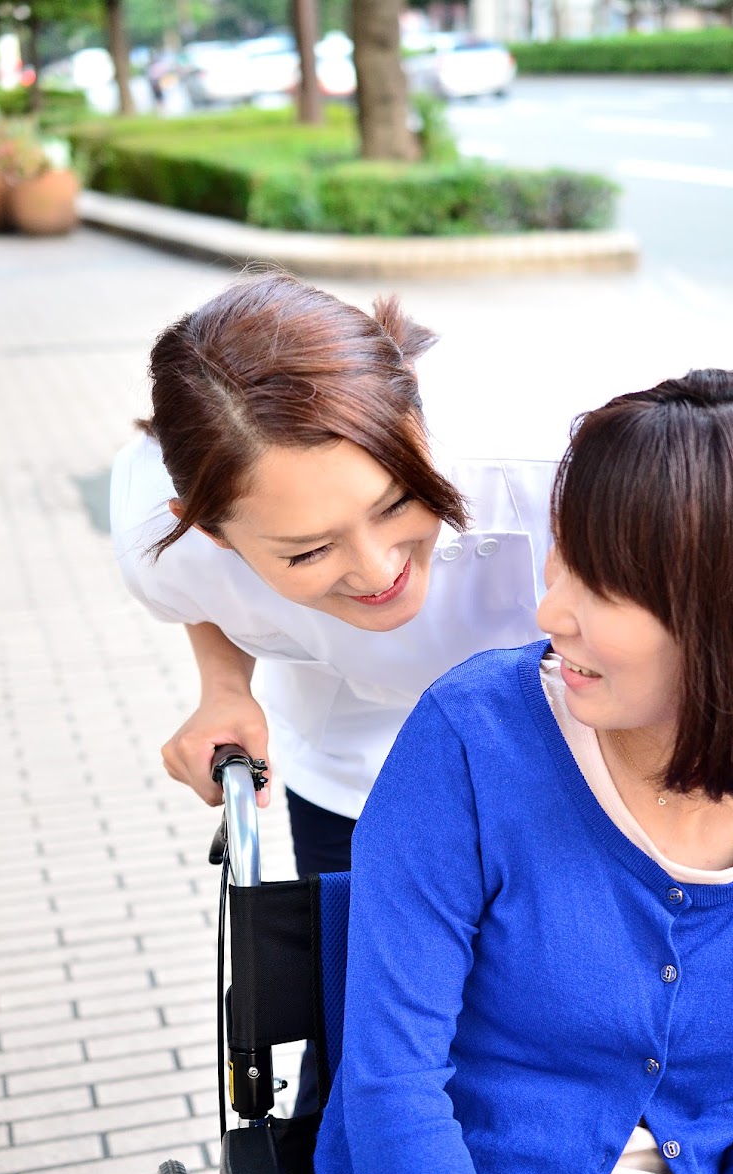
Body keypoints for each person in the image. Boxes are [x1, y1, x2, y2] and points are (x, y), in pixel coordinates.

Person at [314, 368, 733, 1174]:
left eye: (599, 589)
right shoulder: (473, 740)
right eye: (560, 561)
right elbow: (393, 1087)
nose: (550, 615)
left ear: (731, 623)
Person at [109, 270, 553, 1107]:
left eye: (396, 505)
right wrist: (222, 690)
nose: (379, 570)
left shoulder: (542, 470)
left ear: (416, 418)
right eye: (308, 552)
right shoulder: (162, 545)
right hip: (352, 760)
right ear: (211, 531)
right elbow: (202, 599)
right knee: (357, 1034)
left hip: (559, 743)